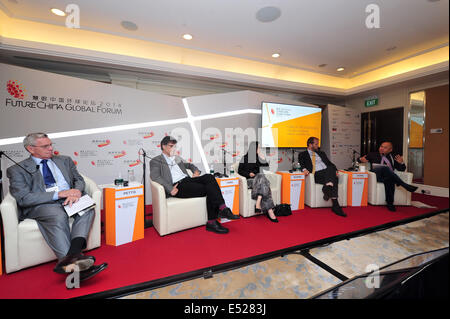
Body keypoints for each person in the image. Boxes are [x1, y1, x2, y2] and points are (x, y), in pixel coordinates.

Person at [6, 133, 107, 282]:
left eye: (51, 144)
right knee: (57, 215)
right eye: (45, 146)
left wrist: (77, 191)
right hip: (42, 204)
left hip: (69, 198)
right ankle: (76, 268)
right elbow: (24, 198)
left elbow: (78, 179)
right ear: (31, 148)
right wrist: (59, 194)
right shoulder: (17, 169)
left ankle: (72, 256)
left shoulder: (64, 160)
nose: (51, 148)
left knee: (87, 207)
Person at [150, 136, 239, 234]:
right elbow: (155, 177)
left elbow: (190, 165)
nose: (174, 149)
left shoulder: (177, 158)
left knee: (209, 177)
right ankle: (214, 220)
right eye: (171, 146)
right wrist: (170, 188)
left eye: (175, 146)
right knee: (209, 188)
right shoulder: (155, 161)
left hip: (188, 180)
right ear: (163, 146)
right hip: (177, 186)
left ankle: (222, 209)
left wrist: (195, 171)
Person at [359, 141, 418, 212]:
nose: (382, 148)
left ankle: (390, 203)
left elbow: (401, 169)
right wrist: (360, 159)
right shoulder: (372, 154)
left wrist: (401, 163)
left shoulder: (393, 157)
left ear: (390, 150)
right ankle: (403, 184)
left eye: (385, 148)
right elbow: (358, 160)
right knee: (384, 168)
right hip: (375, 176)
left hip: (387, 176)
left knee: (389, 179)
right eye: (381, 146)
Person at [298, 137, 346, 217]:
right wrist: (304, 169)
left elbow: (330, 163)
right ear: (310, 144)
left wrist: (336, 170)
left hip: (326, 174)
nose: (318, 146)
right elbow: (302, 164)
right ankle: (335, 205)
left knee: (331, 169)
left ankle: (329, 190)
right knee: (334, 178)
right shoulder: (303, 154)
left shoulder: (321, 153)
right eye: (316, 144)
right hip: (316, 174)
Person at [238, 141, 278, 222]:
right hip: (249, 181)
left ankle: (259, 203)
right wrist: (249, 174)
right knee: (264, 181)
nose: (259, 149)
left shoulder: (258, 158)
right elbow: (239, 171)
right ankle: (270, 211)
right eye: (258, 148)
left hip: (259, 181)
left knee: (261, 177)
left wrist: (263, 158)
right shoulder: (244, 158)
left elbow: (266, 168)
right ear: (254, 148)